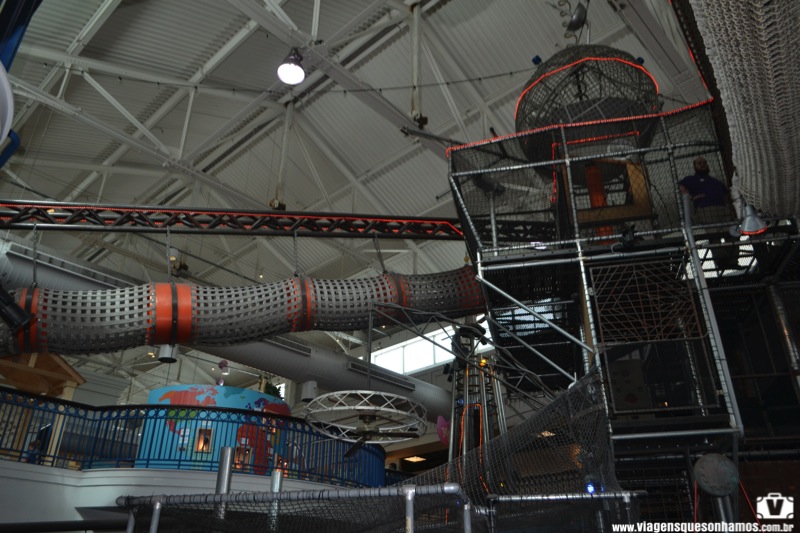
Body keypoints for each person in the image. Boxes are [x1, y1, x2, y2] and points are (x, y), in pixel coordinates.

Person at [679, 156, 737, 268]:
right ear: (695, 166)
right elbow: (682, 186)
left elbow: (726, 194)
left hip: (723, 209)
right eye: (699, 163)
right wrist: (691, 197)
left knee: (731, 233)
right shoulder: (691, 179)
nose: (702, 165)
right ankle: (721, 262)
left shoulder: (716, 181)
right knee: (714, 236)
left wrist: (728, 207)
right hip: (706, 210)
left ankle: (733, 261)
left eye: (704, 162)